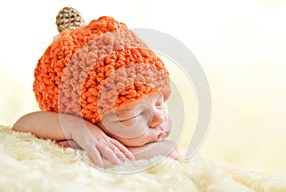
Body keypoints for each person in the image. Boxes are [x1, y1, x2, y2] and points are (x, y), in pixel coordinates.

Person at [12, 7, 180, 168]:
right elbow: (21, 125)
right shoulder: (75, 132)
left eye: (159, 103)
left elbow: (167, 151)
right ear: (87, 120)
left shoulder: (160, 135)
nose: (159, 118)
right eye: (134, 115)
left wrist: (137, 152)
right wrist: (75, 128)